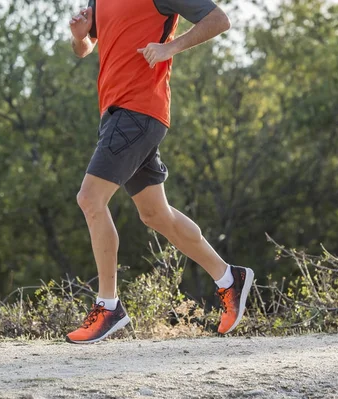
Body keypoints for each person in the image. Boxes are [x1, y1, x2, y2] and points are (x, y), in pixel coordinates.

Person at [66, 0, 254, 344]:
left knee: (90, 199)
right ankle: (229, 278)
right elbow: (85, 48)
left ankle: (108, 306)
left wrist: (171, 47)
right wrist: (79, 38)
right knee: (156, 214)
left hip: (139, 109)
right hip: (114, 112)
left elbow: (219, 20)